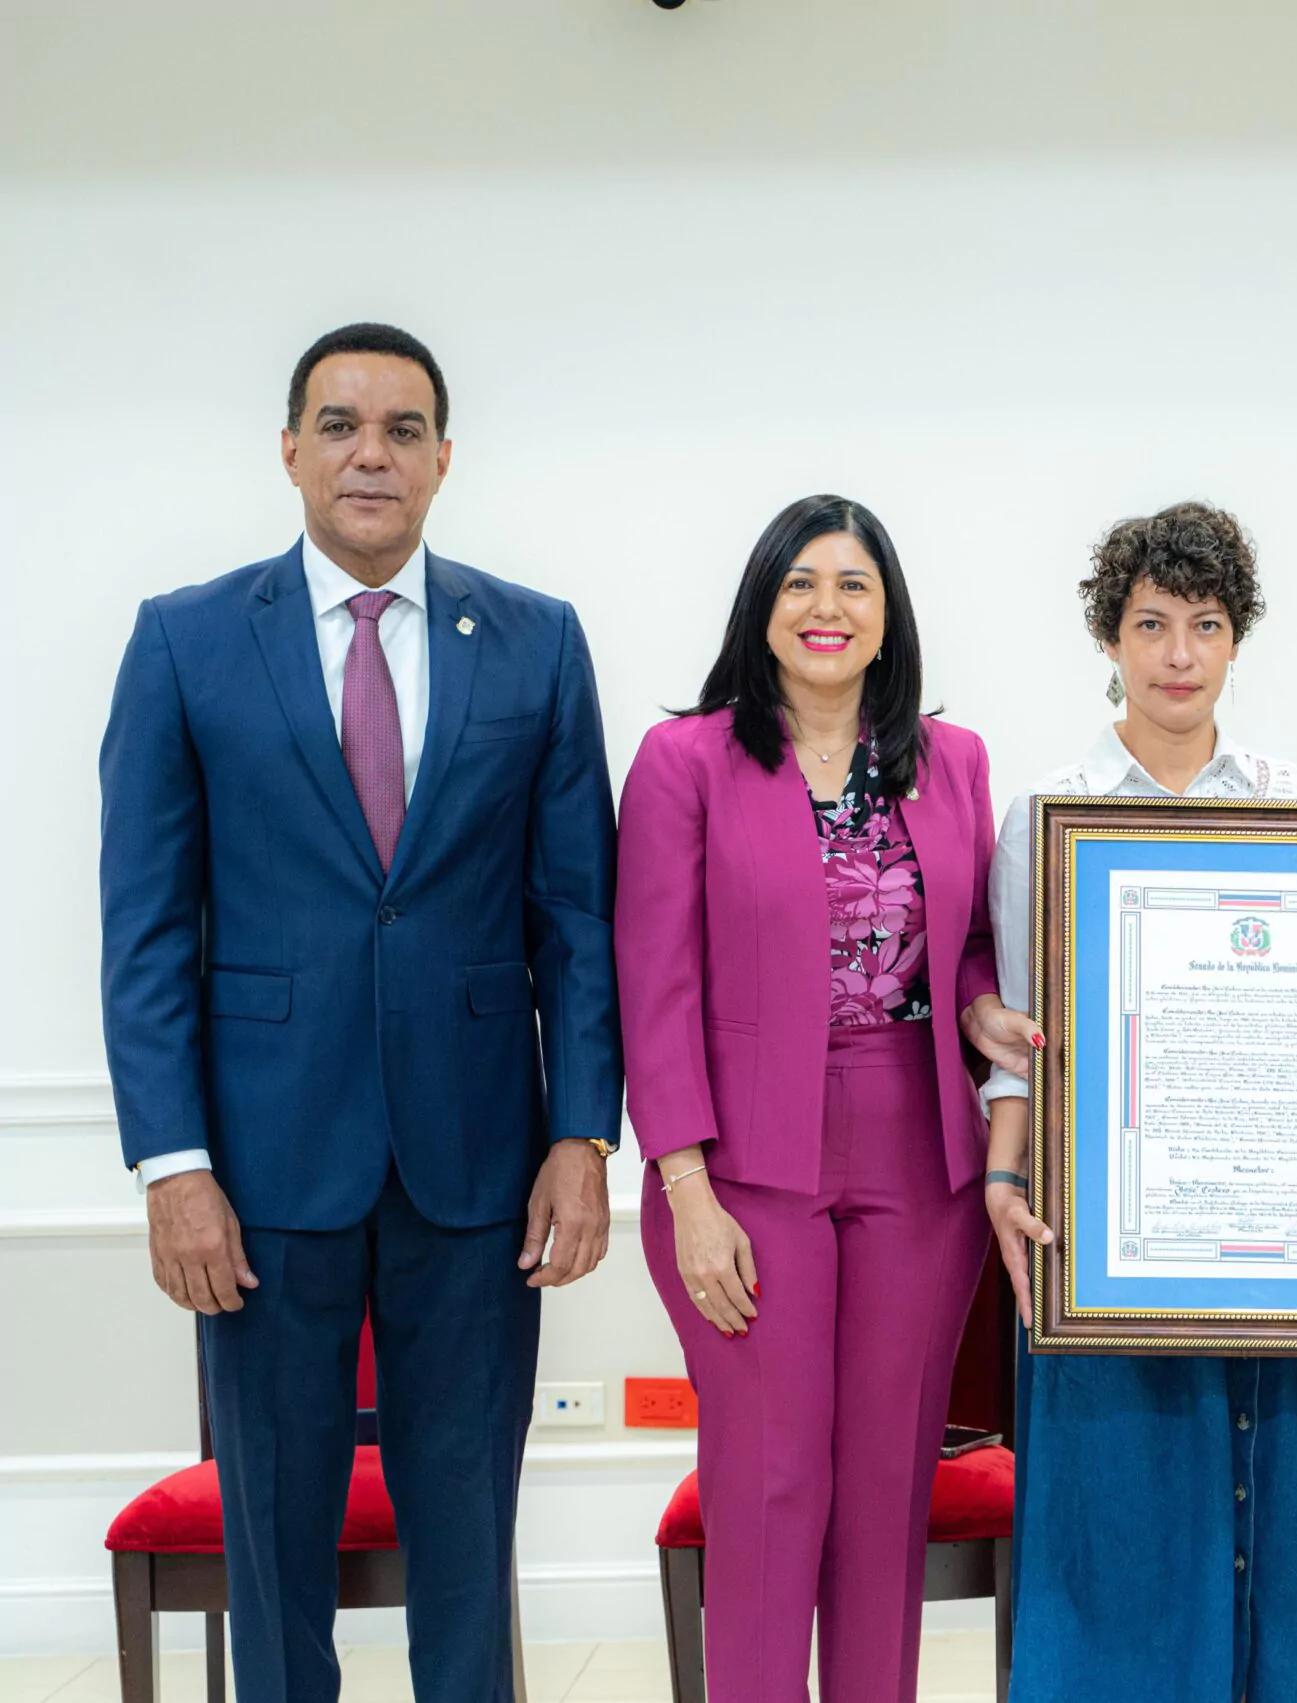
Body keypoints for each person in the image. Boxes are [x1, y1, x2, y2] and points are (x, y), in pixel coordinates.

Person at [98, 323, 622, 1703]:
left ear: (446, 457)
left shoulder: (539, 641)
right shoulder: (185, 640)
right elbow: (144, 928)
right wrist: (172, 1163)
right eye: (339, 425)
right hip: (260, 1173)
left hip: (479, 1167)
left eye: (402, 429)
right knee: (274, 1553)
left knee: (468, 1537)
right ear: (290, 451)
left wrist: (583, 1136)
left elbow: (578, 920)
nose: (370, 453)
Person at [981, 502, 1297, 1702]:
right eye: (1151, 623)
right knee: (1122, 1544)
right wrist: (1005, 1179)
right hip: (1110, 1238)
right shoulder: (1048, 813)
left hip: (1288, 1235)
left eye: (1206, 624)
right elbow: (1022, 1037)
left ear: (1236, 638)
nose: (1178, 653)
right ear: (1108, 637)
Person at [616, 495, 1026, 1703]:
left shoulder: (954, 761)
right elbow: (652, 982)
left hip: (919, 1149)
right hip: (739, 1161)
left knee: (888, 1487)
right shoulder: (684, 762)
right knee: (769, 1479)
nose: (825, 607)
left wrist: (980, 1009)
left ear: (889, 615)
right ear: (762, 607)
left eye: (853, 584)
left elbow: (964, 944)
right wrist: (686, 1188)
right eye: (799, 583)